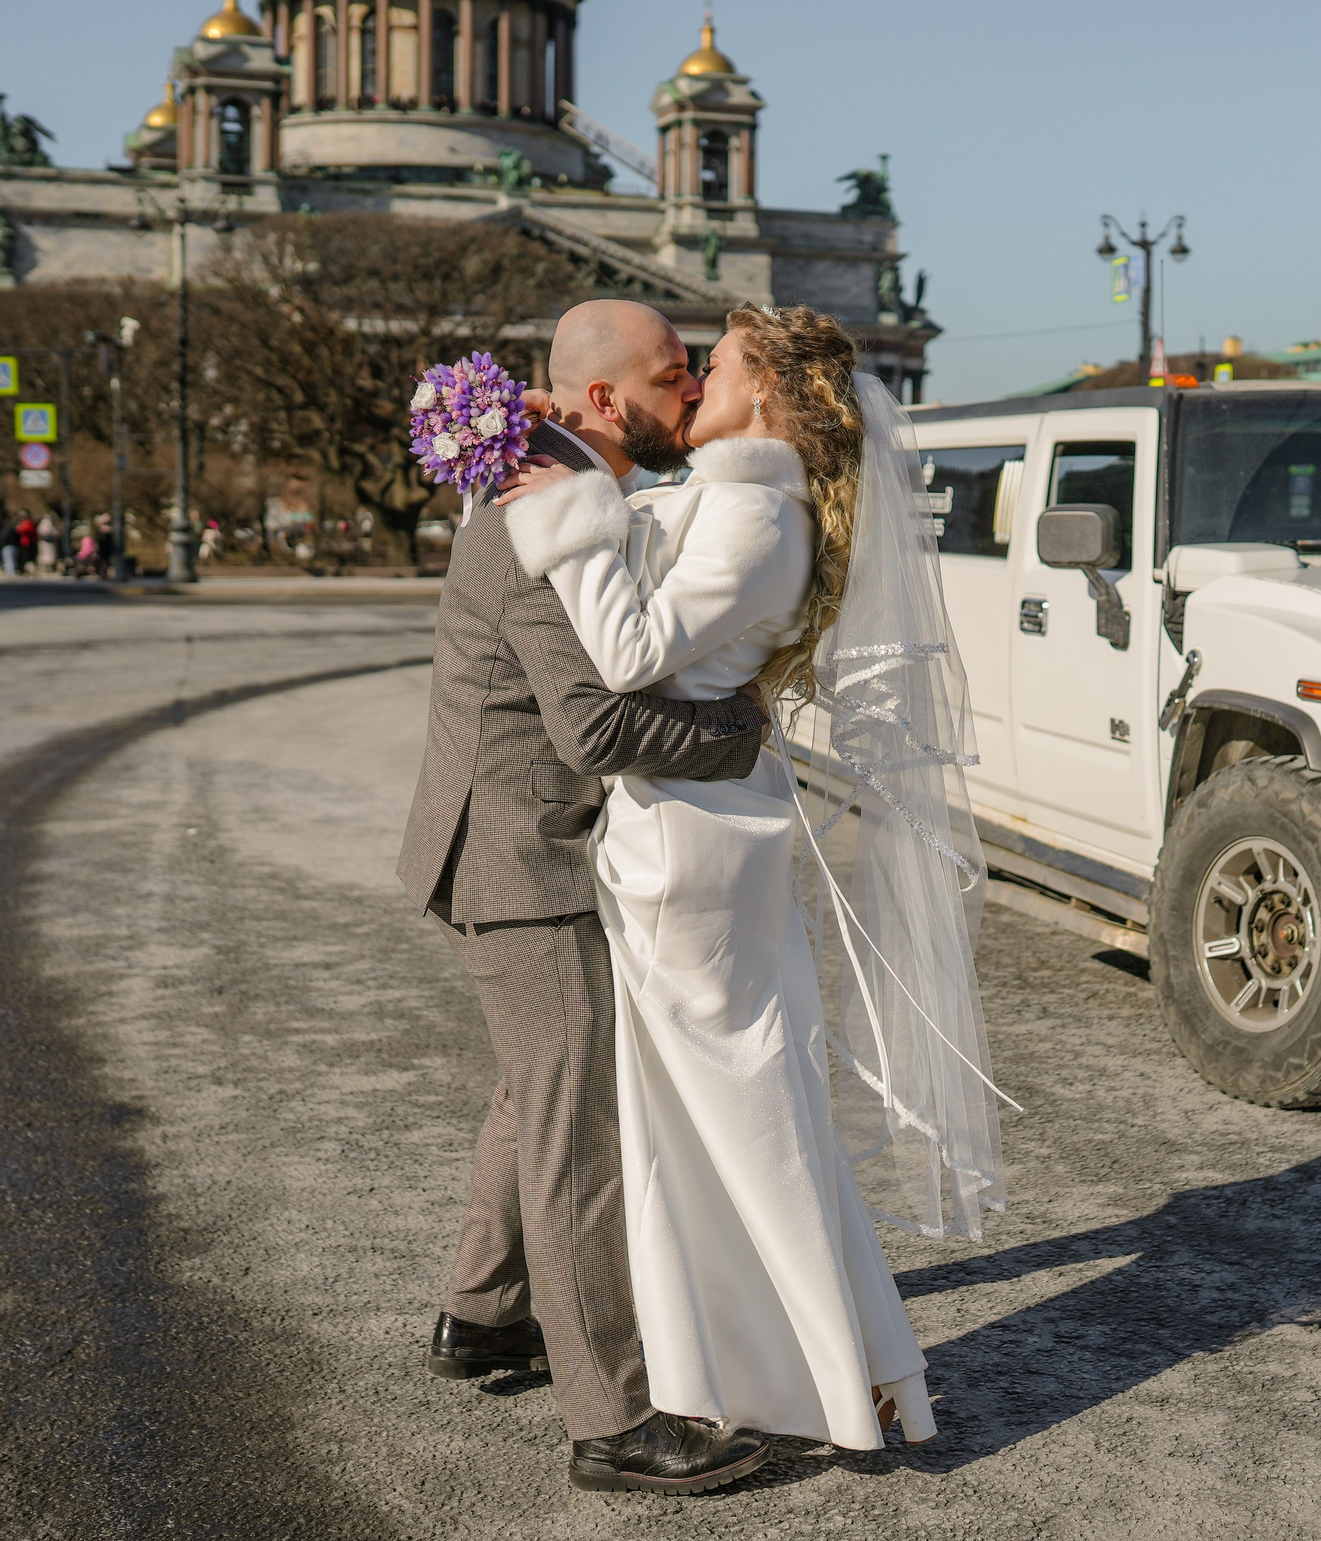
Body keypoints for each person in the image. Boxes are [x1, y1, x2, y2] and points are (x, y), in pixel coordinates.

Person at [497, 303, 1002, 1455]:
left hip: (689, 846)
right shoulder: (733, 499)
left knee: (734, 1129)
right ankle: (818, 1374)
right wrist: (571, 451)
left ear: (763, 392)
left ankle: (811, 1384)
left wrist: (566, 507)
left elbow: (626, 656)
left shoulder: (754, 514)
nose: (690, 381)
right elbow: (652, 553)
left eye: (710, 367)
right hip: (701, 832)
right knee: (734, 1120)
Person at [395, 298, 778, 1499]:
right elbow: (601, 720)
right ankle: (612, 1420)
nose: (689, 396)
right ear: (606, 401)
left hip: (510, 842)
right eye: (675, 379)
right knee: (578, 1128)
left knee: (534, 1087)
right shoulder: (538, 513)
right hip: (523, 858)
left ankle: (486, 1311)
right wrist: (747, 730)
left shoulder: (558, 486)